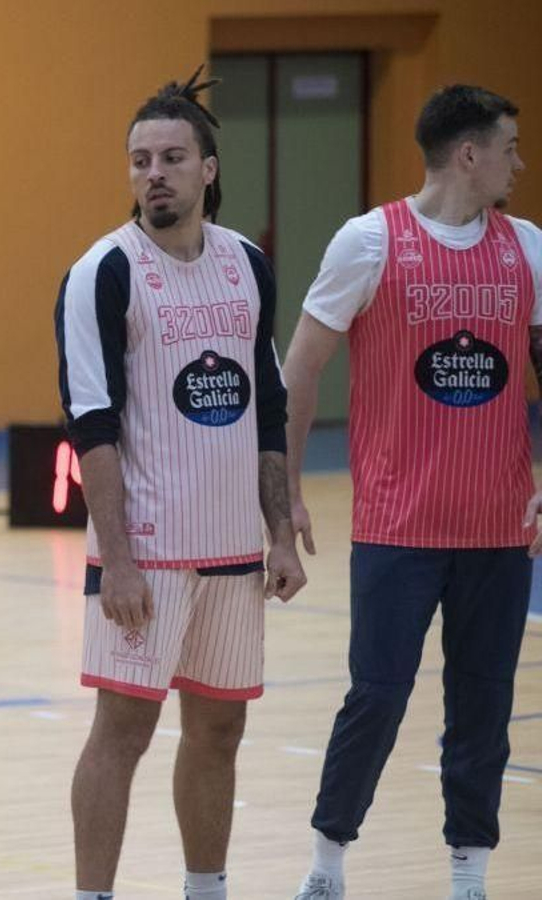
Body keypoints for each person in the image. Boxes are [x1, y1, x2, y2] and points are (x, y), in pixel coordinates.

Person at [54, 68, 304, 900]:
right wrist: (116, 558)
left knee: (220, 730)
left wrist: (279, 532)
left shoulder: (249, 267)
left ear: (208, 170)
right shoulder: (104, 271)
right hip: (149, 557)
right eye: (138, 161)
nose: (152, 173)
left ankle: (208, 890)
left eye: (169, 157)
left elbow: (267, 407)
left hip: (235, 550)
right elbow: (90, 423)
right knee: (123, 730)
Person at [286, 85, 540, 900]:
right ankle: (327, 866)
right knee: (377, 700)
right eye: (509, 146)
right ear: (469, 154)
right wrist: (284, 494)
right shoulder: (369, 243)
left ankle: (469, 877)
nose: (519, 162)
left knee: (484, 716)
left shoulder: (528, 249)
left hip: (499, 530)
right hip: (399, 526)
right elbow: (300, 373)